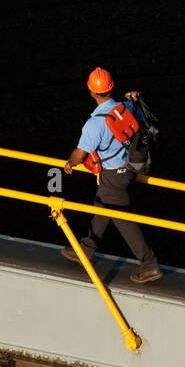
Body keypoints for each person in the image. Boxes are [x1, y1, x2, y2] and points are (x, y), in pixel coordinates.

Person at [61, 68, 163, 283]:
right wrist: (132, 99)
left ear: (91, 92)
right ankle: (86, 249)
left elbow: (79, 156)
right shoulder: (125, 108)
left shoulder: (94, 124)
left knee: (122, 218)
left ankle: (149, 264)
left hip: (113, 176)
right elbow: (145, 119)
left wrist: (70, 162)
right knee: (102, 205)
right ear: (111, 87)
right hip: (132, 169)